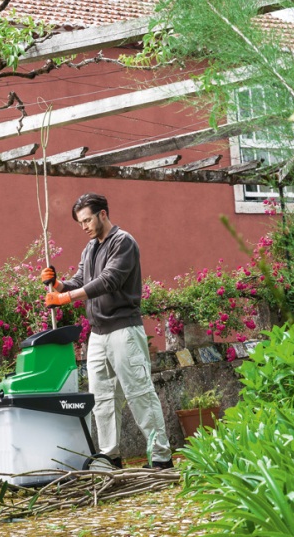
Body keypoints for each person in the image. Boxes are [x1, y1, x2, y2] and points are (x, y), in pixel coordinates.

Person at [43, 193, 173, 470]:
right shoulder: (90, 248)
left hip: (124, 329)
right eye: (80, 222)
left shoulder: (123, 242)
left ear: (103, 214)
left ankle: (161, 457)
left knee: (139, 393)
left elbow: (110, 280)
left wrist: (68, 298)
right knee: (101, 398)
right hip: (98, 334)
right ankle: (110, 457)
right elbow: (81, 280)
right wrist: (58, 285)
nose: (84, 226)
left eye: (88, 220)